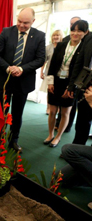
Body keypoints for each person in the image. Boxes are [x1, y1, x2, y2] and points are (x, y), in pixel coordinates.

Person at [0, 8, 45, 153]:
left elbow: (40, 59)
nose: (21, 25)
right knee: (1, 111)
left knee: (17, 113)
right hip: (4, 79)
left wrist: (21, 69)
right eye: (19, 21)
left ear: (33, 21)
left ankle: (13, 140)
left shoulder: (39, 36)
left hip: (23, 81)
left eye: (26, 23)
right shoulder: (6, 32)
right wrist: (9, 68)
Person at [44, 20, 88, 148]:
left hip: (71, 84)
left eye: (79, 31)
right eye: (73, 30)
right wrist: (50, 82)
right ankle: (50, 134)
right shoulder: (62, 45)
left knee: (65, 112)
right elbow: (51, 65)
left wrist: (72, 87)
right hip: (56, 81)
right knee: (52, 111)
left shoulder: (84, 48)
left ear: (85, 33)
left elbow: (82, 71)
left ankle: (58, 137)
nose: (75, 33)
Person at [66, 24, 92, 145]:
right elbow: (78, 63)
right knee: (82, 121)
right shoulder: (88, 39)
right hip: (86, 87)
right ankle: (77, 147)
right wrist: (71, 85)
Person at [39, 30, 63, 115]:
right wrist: (41, 72)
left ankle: (59, 109)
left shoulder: (64, 47)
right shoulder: (48, 47)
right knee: (50, 91)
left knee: (59, 91)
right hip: (49, 73)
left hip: (60, 73)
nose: (55, 37)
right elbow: (43, 61)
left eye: (57, 35)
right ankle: (48, 108)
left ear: (61, 37)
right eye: (54, 35)